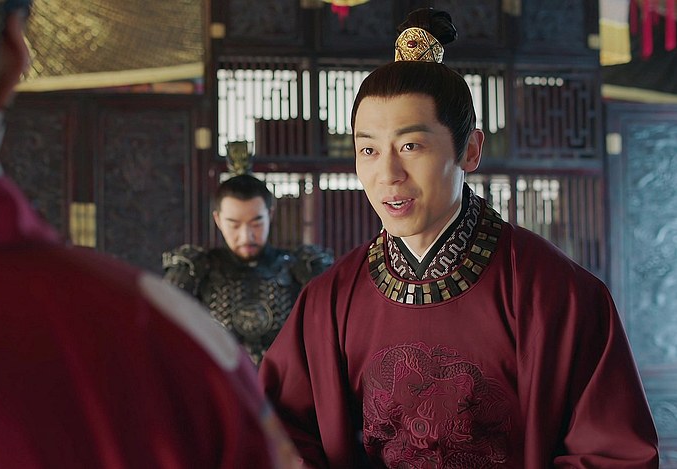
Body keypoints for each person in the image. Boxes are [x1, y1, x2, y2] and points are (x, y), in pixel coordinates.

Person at [0, 0, 299, 467]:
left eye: (256, 220)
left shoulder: (204, 317)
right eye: (235, 221)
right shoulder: (165, 341)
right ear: (13, 54)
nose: (246, 232)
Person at [259, 7, 659, 468]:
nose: (387, 173)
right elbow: (276, 433)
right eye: (367, 149)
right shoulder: (327, 303)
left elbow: (615, 454)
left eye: (411, 146)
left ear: (470, 150)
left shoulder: (554, 293)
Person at [163, 173, 334, 365]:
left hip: (287, 382)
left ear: (270, 215)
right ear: (218, 220)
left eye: (256, 223)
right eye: (234, 225)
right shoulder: (194, 270)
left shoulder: (303, 268)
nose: (246, 236)